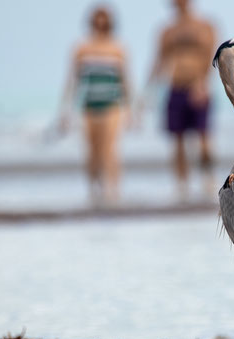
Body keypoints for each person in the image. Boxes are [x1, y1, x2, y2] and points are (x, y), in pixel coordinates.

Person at [59, 6, 132, 204]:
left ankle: (113, 191)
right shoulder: (81, 49)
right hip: (89, 105)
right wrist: (64, 111)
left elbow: (125, 81)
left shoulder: (118, 49)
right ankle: (94, 190)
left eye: (103, 22)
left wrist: (130, 109)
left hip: (112, 105)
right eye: (96, 21)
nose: (100, 26)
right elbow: (72, 82)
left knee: (110, 149)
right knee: (92, 151)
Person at [148, 0, 216, 196]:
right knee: (177, 139)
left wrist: (202, 83)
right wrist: (149, 92)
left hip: (198, 86)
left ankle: (207, 180)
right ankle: (182, 186)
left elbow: (212, 56)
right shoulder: (167, 31)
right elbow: (158, 60)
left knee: (204, 138)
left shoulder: (205, 26)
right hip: (175, 87)